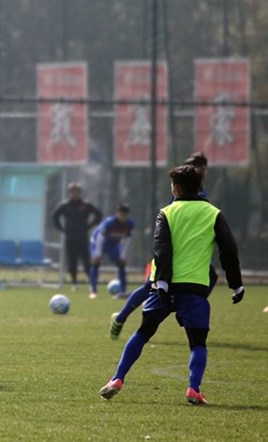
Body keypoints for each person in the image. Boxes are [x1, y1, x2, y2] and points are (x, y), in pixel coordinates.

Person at [99, 164, 244, 405]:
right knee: (198, 343)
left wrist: (163, 283)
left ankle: (117, 378)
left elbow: (161, 249)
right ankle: (193, 389)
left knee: (143, 332)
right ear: (200, 188)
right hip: (195, 287)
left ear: (175, 188)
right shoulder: (214, 213)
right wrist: (236, 284)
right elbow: (228, 250)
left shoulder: (166, 212)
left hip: (163, 287)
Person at [109, 152, 213, 340]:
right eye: (200, 169)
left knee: (210, 275)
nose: (203, 172)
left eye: (204, 169)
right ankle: (122, 318)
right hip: (171, 250)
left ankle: (184, 310)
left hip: (184, 251)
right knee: (150, 286)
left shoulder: (196, 190)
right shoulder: (190, 191)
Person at [52, 182, 102, 290]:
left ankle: (91, 283)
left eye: (77, 192)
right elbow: (55, 217)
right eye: (72, 192)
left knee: (86, 262)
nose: (74, 194)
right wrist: (62, 228)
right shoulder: (65, 205)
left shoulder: (86, 205)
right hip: (70, 238)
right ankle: (74, 283)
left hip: (82, 237)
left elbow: (98, 214)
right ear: (69, 193)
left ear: (80, 193)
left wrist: (89, 226)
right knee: (72, 262)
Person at [88, 204, 134, 299]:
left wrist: (123, 255)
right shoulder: (110, 223)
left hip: (112, 244)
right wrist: (97, 254)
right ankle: (93, 290)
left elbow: (127, 240)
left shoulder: (129, 224)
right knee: (95, 263)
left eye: (125, 215)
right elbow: (100, 237)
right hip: (98, 242)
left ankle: (123, 291)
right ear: (117, 214)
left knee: (121, 263)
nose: (123, 217)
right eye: (121, 214)